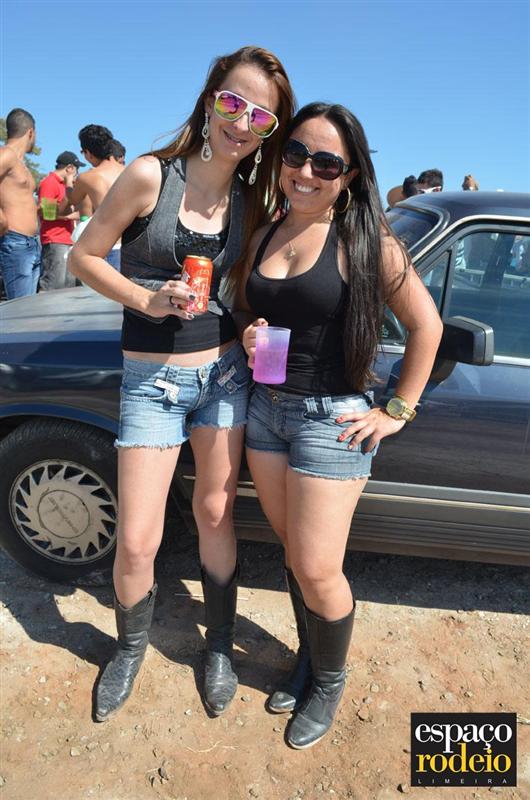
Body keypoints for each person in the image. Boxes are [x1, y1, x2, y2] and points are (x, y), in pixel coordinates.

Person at [68, 45, 295, 723]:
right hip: (151, 383)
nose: (242, 121)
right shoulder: (149, 175)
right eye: (232, 102)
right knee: (138, 539)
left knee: (215, 515)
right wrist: (146, 299)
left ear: (268, 131)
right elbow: (83, 257)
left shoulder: (251, 200)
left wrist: (254, 329)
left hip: (224, 377)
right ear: (209, 99)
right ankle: (128, 648)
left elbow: (243, 293)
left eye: (260, 116)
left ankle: (218, 645)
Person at [237, 103, 443, 749]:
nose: (306, 171)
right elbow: (252, 308)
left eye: (325, 163)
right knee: (293, 555)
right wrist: (249, 334)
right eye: (296, 154)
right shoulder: (267, 232)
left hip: (331, 422)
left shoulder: (366, 241)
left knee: (318, 567)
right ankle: (308, 659)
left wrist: (397, 410)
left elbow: (427, 327)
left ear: (349, 174)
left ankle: (328, 681)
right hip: (265, 411)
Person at [58, 125, 125, 268]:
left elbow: (73, 199)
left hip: (107, 247)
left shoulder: (87, 177)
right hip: (131, 247)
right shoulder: (128, 171)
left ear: (88, 153)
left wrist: (68, 183)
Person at [0, 108, 40, 299]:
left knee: (30, 309)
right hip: (15, 241)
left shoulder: (20, 163)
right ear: (30, 132)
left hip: (32, 243)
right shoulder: (6, 155)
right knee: (20, 309)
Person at [38, 151, 86, 290]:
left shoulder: (64, 185)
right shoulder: (50, 183)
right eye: (77, 169)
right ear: (69, 168)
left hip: (67, 239)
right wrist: (69, 216)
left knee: (69, 285)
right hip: (55, 239)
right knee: (54, 284)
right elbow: (46, 213)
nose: (77, 173)